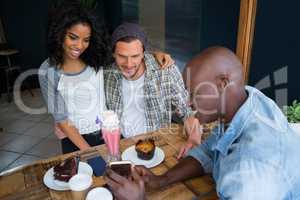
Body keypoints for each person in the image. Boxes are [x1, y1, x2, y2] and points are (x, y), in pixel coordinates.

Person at [105, 46, 300, 200]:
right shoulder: (248, 100)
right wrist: (160, 180)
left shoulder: (251, 173)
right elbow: (209, 150)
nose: (188, 102)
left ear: (223, 83)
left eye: (194, 93)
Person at [38, 3, 174, 154]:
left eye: (86, 40)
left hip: (109, 131)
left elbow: (128, 50)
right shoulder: (48, 70)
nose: (79, 46)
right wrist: (89, 152)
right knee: (85, 175)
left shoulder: (97, 57)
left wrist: (155, 54)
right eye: (73, 37)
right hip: (75, 138)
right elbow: (62, 119)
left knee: (115, 173)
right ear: (60, 33)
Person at [105, 22, 200, 139]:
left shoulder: (165, 70)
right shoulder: (108, 75)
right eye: (122, 56)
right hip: (122, 143)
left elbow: (185, 110)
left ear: (143, 53)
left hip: (156, 143)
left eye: (135, 56)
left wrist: (193, 129)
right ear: (113, 54)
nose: (128, 64)